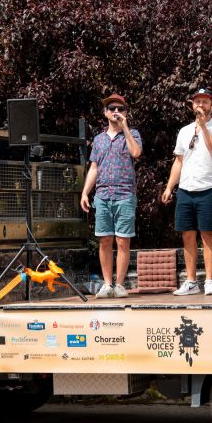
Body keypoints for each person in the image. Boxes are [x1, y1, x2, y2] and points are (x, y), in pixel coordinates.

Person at [161, 88, 212, 295]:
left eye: (205, 102)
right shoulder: (184, 131)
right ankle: (191, 282)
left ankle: (209, 280)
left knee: (207, 235)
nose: (201, 105)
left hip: (207, 189)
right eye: (197, 102)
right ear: (192, 106)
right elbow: (179, 161)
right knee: (187, 236)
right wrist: (169, 187)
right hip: (185, 190)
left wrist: (203, 128)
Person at [81, 93, 143, 298]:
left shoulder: (132, 133)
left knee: (123, 240)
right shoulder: (98, 139)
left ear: (126, 112)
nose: (116, 112)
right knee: (104, 240)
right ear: (105, 113)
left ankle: (119, 285)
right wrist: (85, 192)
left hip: (125, 194)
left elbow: (136, 153)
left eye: (120, 108)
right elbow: (94, 168)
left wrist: (124, 127)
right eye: (111, 108)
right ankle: (107, 284)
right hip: (102, 195)